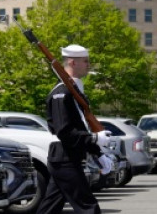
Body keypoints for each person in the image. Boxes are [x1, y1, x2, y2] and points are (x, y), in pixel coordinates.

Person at [38, 44, 113, 214]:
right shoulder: (61, 93)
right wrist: (94, 139)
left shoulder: (73, 92)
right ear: (73, 63)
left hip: (66, 157)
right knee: (88, 208)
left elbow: (81, 127)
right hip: (65, 158)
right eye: (85, 61)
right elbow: (64, 132)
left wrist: (98, 153)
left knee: (49, 208)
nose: (88, 65)